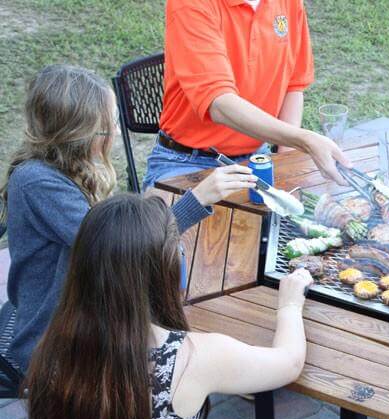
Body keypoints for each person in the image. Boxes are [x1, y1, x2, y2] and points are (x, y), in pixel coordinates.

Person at [24, 194, 312, 419]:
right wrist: (290, 305)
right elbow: (290, 363)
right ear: (165, 271)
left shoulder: (54, 346)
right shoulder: (190, 356)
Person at [0, 64, 257, 372]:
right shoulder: (38, 183)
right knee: (195, 358)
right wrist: (196, 200)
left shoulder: (65, 168)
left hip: (86, 315)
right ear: (76, 134)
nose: (116, 131)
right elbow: (119, 246)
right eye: (108, 125)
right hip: (55, 345)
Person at [144, 0, 351, 189]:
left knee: (313, 215)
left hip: (256, 158)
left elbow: (293, 84)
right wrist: (304, 140)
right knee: (190, 220)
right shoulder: (190, 4)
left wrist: (286, 161)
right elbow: (218, 103)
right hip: (187, 161)